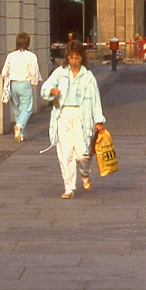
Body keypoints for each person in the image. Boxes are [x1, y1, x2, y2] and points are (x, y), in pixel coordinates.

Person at [41, 40, 105, 199]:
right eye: (71, 58)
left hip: (81, 116)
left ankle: (84, 173)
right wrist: (51, 91)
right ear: (67, 58)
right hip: (63, 114)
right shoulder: (60, 72)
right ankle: (69, 187)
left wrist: (98, 120)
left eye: (77, 58)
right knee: (65, 153)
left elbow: (96, 99)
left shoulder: (88, 76)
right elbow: (44, 89)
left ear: (82, 58)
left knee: (83, 153)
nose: (74, 61)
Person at [1, 32, 41, 143]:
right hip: (25, 84)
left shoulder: (11, 55)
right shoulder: (31, 56)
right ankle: (19, 125)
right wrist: (33, 82)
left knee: (17, 110)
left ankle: (21, 134)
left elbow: (4, 72)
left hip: (13, 84)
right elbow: (34, 71)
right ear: (28, 43)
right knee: (27, 109)